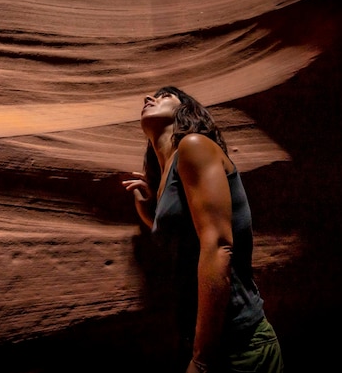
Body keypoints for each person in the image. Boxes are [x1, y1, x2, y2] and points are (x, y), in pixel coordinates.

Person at [122, 86, 284, 373]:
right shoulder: (169, 173)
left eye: (165, 96)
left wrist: (202, 358)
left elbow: (218, 245)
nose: (149, 99)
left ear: (186, 110)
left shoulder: (194, 146)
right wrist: (151, 211)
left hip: (238, 344)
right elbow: (187, 240)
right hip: (209, 340)